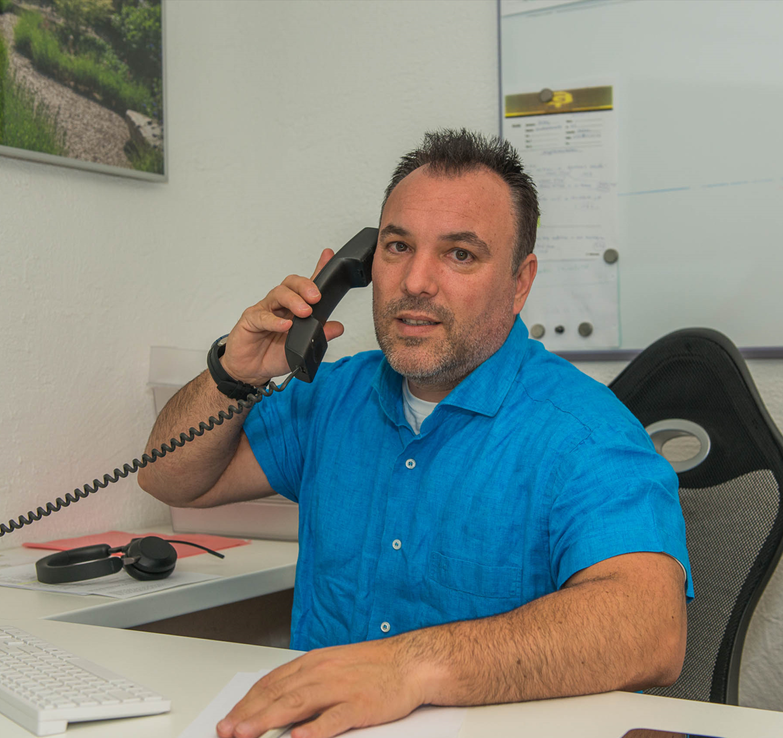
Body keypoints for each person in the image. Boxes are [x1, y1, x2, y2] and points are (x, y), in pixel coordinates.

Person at [138, 130, 693, 738]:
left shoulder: (584, 434)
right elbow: (173, 480)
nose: (416, 282)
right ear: (362, 264)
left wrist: (408, 667)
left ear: (520, 282)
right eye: (398, 247)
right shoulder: (328, 397)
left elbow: (650, 629)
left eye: (460, 255)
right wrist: (233, 374)